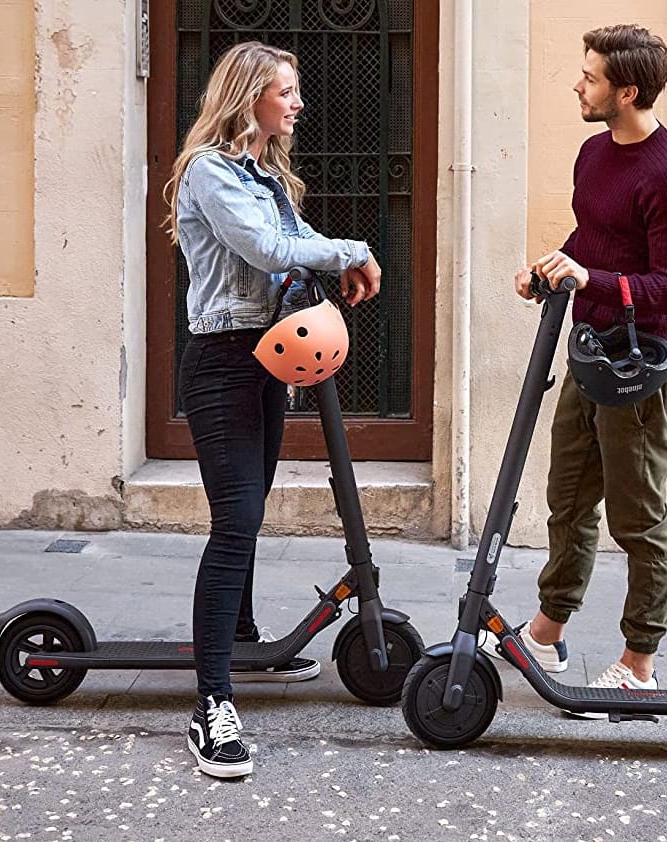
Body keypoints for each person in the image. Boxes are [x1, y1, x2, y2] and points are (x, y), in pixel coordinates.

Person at [164, 41, 381, 777]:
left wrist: (336, 257)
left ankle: (245, 637)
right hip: (222, 362)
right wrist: (352, 249)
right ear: (249, 95)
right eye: (285, 92)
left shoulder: (264, 176)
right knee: (235, 526)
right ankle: (211, 707)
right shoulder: (209, 172)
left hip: (263, 357)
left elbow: (296, 243)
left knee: (250, 507)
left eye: (294, 93)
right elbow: (262, 248)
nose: (296, 105)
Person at [496, 24, 667, 715]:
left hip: (642, 373)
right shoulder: (593, 154)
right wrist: (549, 270)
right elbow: (589, 241)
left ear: (627, 90)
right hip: (588, 355)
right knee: (568, 501)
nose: (577, 86)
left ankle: (637, 664)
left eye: (588, 78)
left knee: (637, 522)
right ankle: (547, 632)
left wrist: (594, 278)